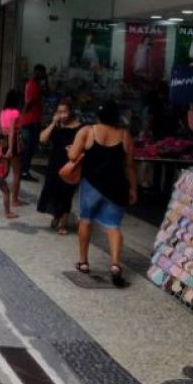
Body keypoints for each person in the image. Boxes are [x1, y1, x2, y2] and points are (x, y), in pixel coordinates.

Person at [66, 100, 138, 288]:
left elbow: (73, 156)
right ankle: (115, 265)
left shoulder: (87, 131)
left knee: (86, 220)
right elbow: (130, 165)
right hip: (116, 187)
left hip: (91, 185)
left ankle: (83, 262)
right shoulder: (124, 135)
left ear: (98, 116)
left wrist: (70, 151)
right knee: (113, 226)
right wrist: (133, 189)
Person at [37, 100, 83, 235]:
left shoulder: (80, 128)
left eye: (65, 112)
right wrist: (53, 123)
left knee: (67, 192)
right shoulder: (56, 127)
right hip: (55, 163)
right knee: (53, 190)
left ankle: (64, 222)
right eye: (59, 112)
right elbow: (42, 139)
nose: (62, 115)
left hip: (71, 164)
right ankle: (56, 215)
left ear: (71, 112)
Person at [0, 89, 26, 207]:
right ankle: (14, 199)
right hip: (12, 141)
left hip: (3, 141)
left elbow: (5, 130)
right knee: (16, 172)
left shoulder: (3, 112)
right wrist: (11, 147)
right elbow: (12, 132)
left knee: (3, 171)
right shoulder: (16, 113)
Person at [20, 64, 47, 182]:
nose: (43, 75)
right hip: (32, 121)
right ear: (37, 72)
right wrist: (22, 116)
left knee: (30, 147)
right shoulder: (32, 85)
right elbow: (28, 102)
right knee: (30, 148)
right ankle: (24, 171)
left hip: (32, 120)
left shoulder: (35, 84)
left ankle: (24, 170)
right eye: (42, 73)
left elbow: (48, 91)